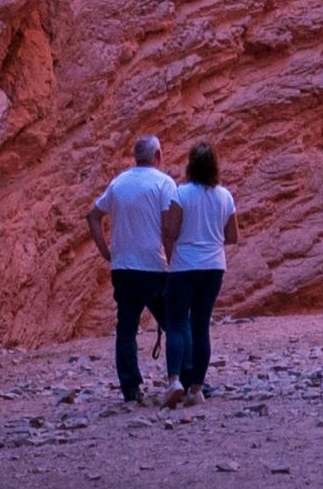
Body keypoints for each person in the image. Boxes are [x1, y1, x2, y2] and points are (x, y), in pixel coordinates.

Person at [99, 142, 185, 406]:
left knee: (126, 328)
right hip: (152, 267)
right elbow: (169, 230)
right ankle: (185, 381)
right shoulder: (164, 183)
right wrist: (175, 263)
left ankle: (130, 388)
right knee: (175, 323)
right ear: (159, 154)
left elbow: (92, 215)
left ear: (135, 156)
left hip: (122, 267)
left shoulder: (118, 183)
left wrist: (106, 251)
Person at [159, 145, 231, 402]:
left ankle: (175, 381)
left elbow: (170, 231)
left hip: (184, 266)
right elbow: (232, 235)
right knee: (201, 327)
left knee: (176, 324)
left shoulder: (181, 194)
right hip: (213, 267)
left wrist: (172, 255)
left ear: (191, 165)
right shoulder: (225, 196)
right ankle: (197, 389)